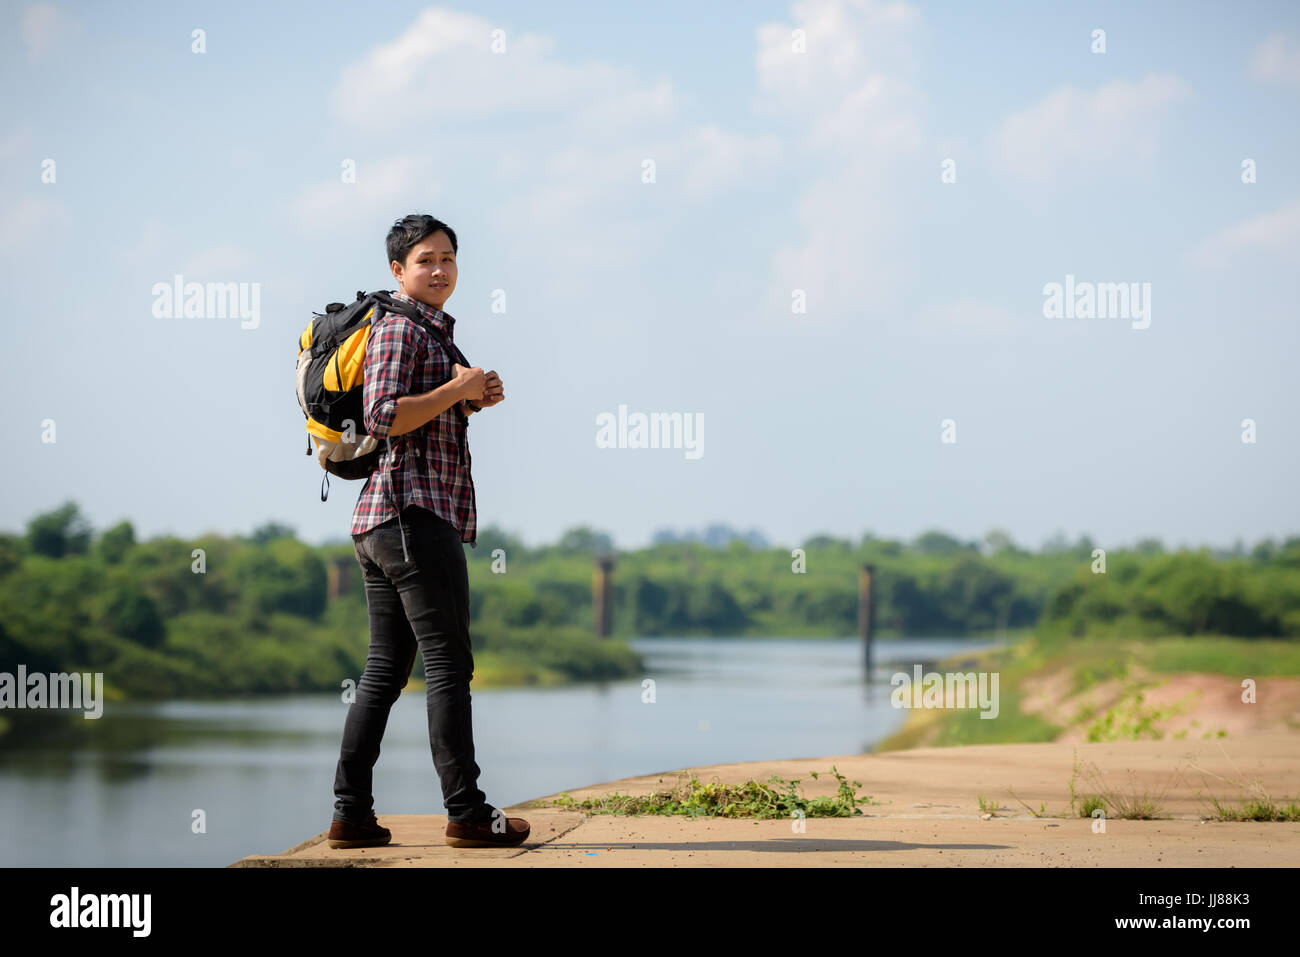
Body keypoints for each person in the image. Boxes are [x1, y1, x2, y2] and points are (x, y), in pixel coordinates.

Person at [326, 213, 529, 849]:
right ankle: (468, 813)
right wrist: (455, 390)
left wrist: (468, 395)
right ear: (397, 271)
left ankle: (350, 816)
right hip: (412, 517)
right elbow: (383, 415)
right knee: (448, 666)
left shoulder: (432, 334)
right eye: (424, 261)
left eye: (447, 259)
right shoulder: (396, 329)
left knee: (385, 671)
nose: (439, 270)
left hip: (385, 523)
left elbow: (422, 407)